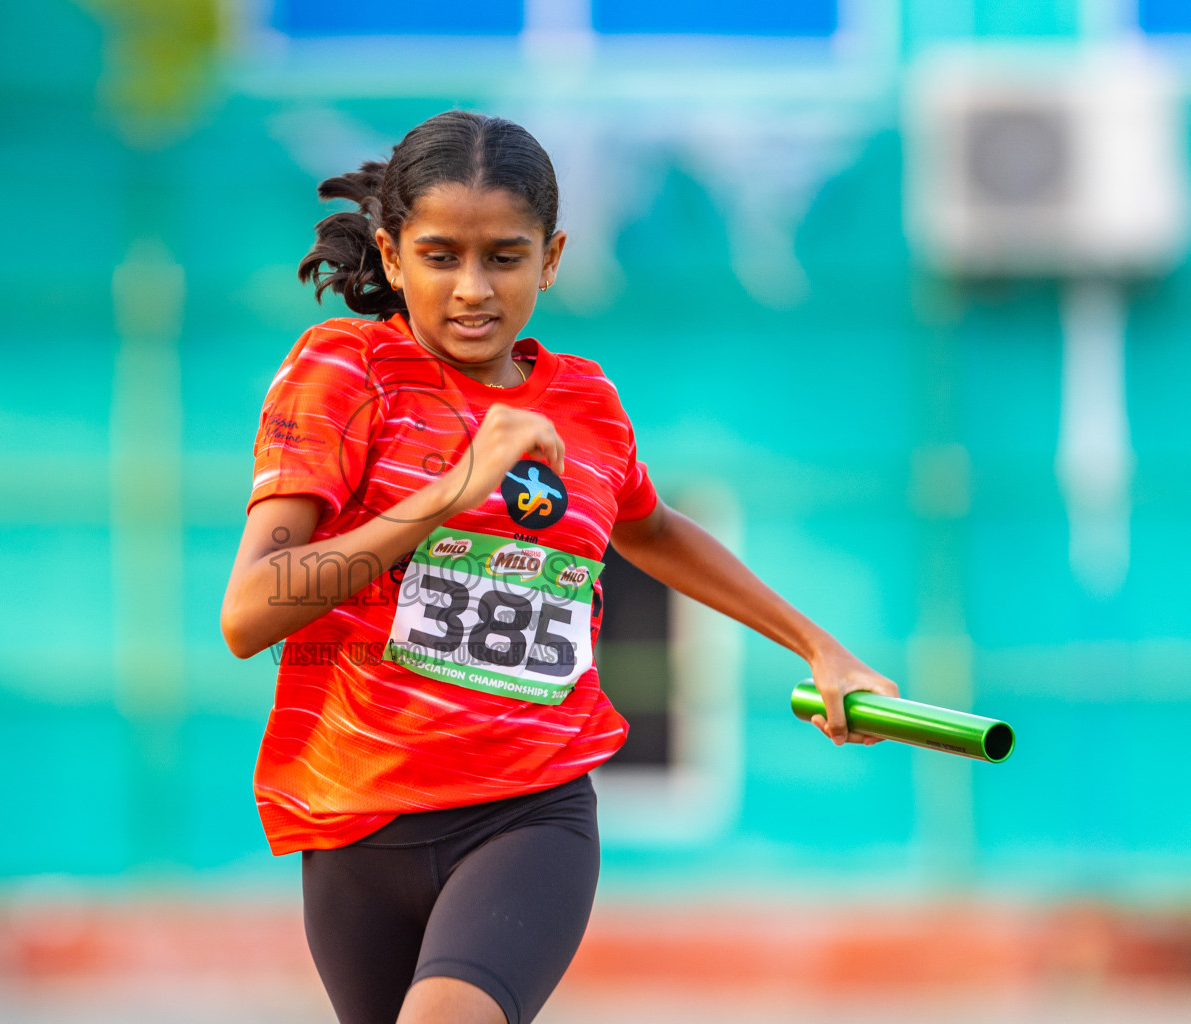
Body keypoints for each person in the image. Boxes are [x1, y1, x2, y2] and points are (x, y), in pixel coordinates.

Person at [221, 110, 898, 1024]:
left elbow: (651, 530)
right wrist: (449, 494)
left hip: (528, 812)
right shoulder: (344, 374)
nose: (473, 289)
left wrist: (821, 648)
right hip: (356, 823)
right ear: (388, 256)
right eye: (439, 255)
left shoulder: (584, 400)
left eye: (504, 256)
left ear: (552, 257)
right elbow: (254, 609)